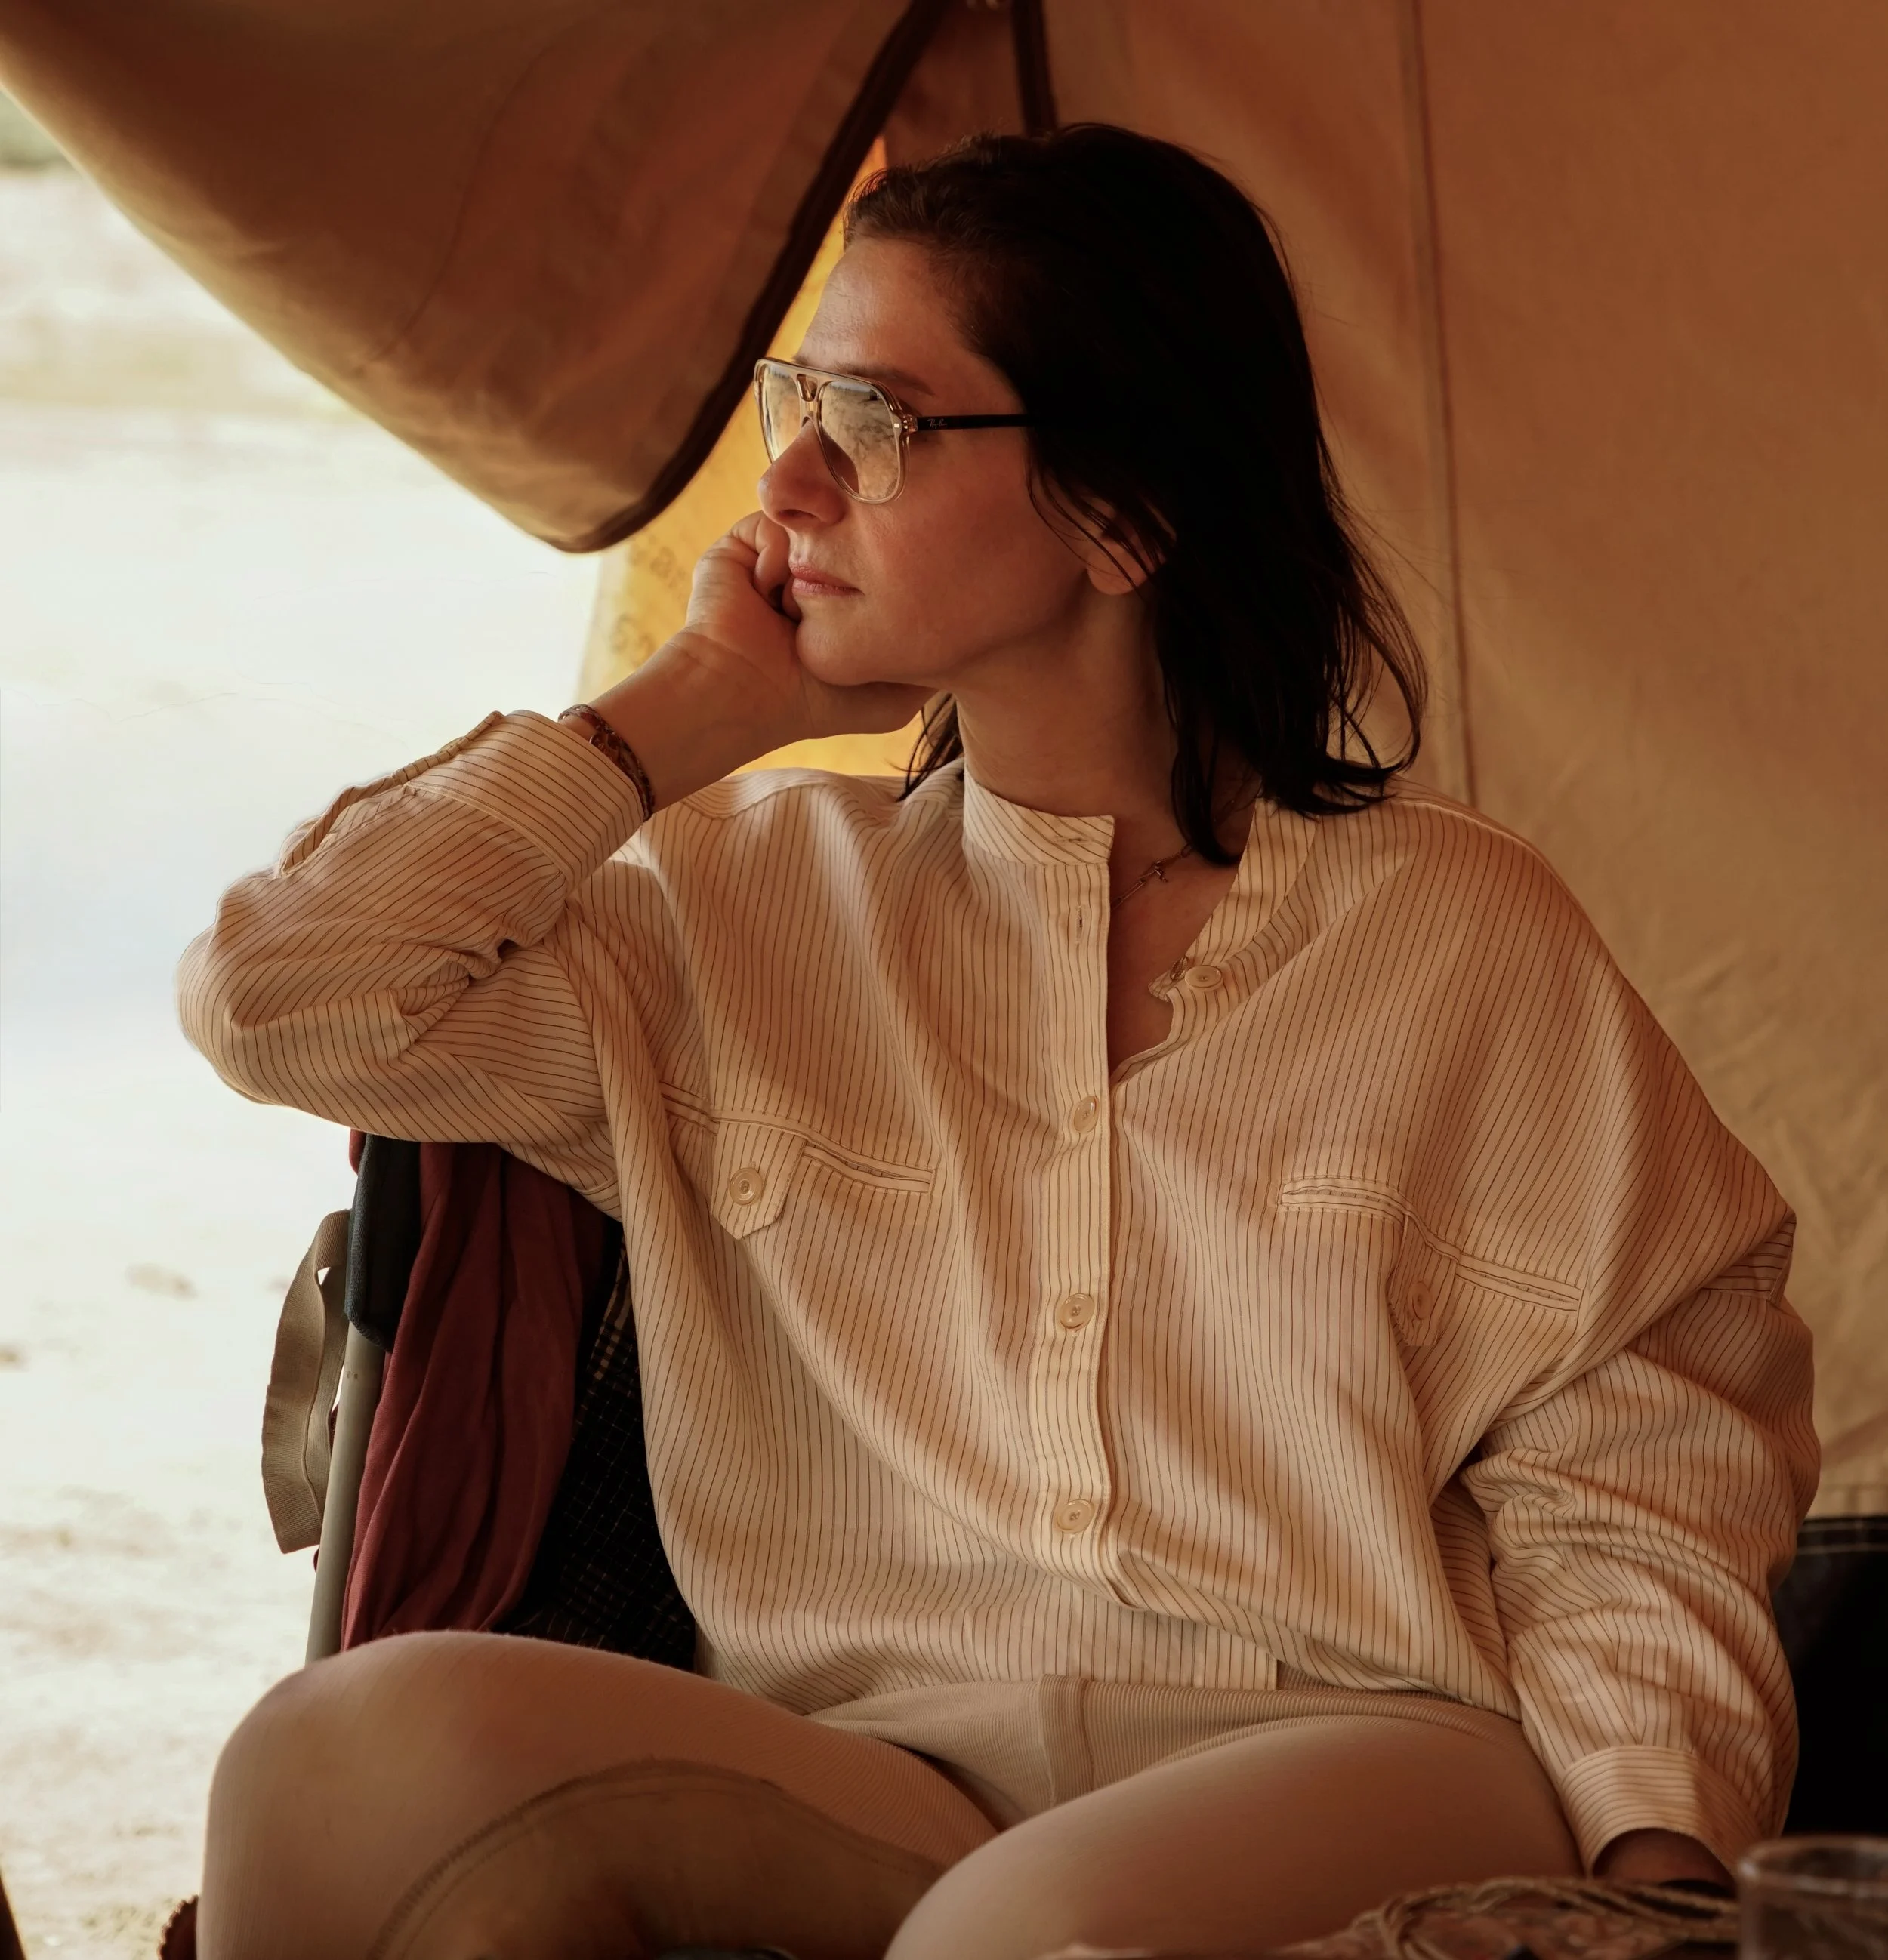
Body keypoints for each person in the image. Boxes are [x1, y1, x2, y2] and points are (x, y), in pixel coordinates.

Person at [178, 126, 1816, 1960]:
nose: (788, 482)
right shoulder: (735, 898)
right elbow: (287, 994)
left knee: (1013, 1931)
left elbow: (1635, 1465)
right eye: (797, 400)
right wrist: (688, 707)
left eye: (875, 421)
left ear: (1122, 514)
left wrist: (1656, 1859)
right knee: (329, 1760)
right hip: (887, 1768)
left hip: (1360, 1750)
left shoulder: (1458, 938)